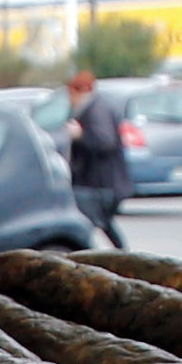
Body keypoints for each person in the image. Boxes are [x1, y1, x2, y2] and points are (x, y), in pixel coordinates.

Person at [59, 67, 131, 245]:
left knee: (90, 223)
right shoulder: (95, 107)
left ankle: (96, 256)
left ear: (82, 91)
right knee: (103, 223)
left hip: (100, 184)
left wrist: (80, 136)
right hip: (100, 183)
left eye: (72, 94)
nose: (70, 99)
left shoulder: (96, 109)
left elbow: (105, 141)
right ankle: (122, 256)